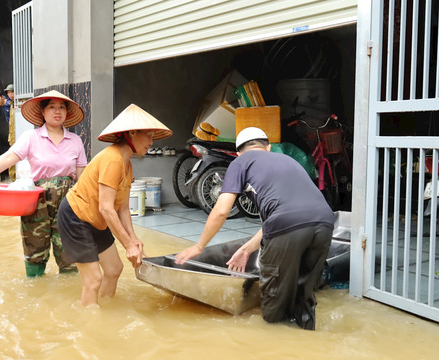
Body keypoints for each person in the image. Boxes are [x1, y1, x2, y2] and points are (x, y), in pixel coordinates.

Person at [175, 127, 334, 330]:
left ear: (239, 152)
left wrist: (199, 246)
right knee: (304, 296)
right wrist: (245, 250)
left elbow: (222, 211)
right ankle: (307, 339)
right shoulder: (289, 161)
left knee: (275, 296)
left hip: (288, 225)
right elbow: (280, 218)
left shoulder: (240, 162)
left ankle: (273, 342)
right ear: (267, 148)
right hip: (325, 222)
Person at [0, 90, 88, 277]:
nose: (57, 111)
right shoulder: (31, 137)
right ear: (42, 113)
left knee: (69, 251)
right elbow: (8, 159)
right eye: (52, 107)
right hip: (37, 203)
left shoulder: (75, 141)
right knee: (35, 249)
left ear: (67, 113)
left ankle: (68, 292)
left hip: (67, 205)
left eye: (62, 107)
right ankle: (35, 290)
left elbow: (83, 177)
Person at [58, 104, 172, 306]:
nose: (151, 142)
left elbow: (123, 209)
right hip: (76, 217)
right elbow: (106, 208)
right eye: (149, 136)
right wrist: (127, 245)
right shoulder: (113, 159)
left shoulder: (126, 164)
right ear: (133, 132)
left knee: (114, 269)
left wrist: (134, 240)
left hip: (97, 220)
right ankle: (88, 324)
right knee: (93, 280)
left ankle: (104, 310)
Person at [4, 84, 16, 180]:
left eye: (12, 92)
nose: (10, 94)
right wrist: (9, 137)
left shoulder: (18, 104)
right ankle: (13, 179)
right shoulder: (11, 105)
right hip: (12, 136)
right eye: (8, 93)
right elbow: (11, 123)